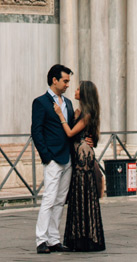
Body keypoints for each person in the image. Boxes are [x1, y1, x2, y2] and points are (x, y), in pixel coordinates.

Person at [51, 80, 106, 253]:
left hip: (83, 158)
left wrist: (60, 115)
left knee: (83, 196)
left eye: (78, 89)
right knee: (78, 197)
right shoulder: (80, 112)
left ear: (84, 93)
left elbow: (70, 133)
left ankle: (86, 239)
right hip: (79, 155)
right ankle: (80, 238)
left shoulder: (87, 113)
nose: (74, 90)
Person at [31, 63, 76, 254]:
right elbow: (36, 130)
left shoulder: (68, 103)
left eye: (68, 81)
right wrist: (46, 156)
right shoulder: (40, 102)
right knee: (49, 199)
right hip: (52, 158)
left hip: (67, 158)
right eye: (65, 81)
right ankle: (41, 239)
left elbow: (71, 128)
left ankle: (54, 239)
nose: (67, 84)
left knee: (59, 200)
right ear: (54, 80)